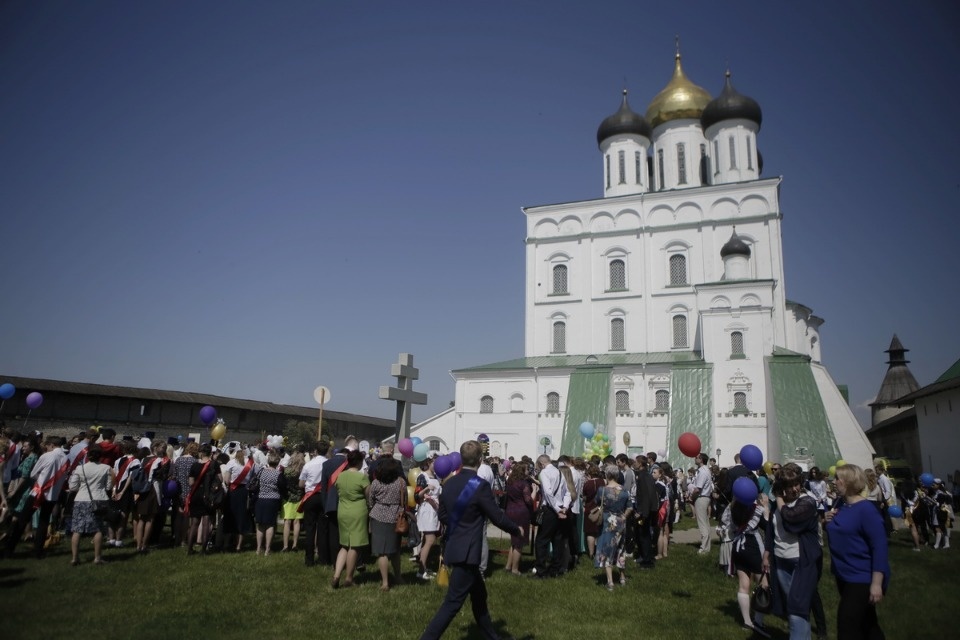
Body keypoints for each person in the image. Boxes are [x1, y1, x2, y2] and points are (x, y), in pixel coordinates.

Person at [420, 440, 521, 640]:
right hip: (468, 552)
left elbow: (443, 515)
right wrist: (515, 528)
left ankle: (490, 635)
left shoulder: (448, 483)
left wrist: (459, 526)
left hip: (456, 546)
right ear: (481, 459)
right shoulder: (480, 485)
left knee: (479, 598)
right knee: (452, 604)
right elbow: (496, 515)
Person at [825, 464, 889, 640]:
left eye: (838, 478)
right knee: (868, 624)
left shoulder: (866, 510)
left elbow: (880, 547)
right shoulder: (842, 505)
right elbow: (840, 530)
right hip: (843, 574)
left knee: (847, 625)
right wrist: (827, 521)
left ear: (849, 482)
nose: (834, 481)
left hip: (861, 577)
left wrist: (877, 582)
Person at [764, 462, 824, 640]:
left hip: (802, 560)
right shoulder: (777, 507)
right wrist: (767, 554)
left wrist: (779, 499)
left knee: (797, 607)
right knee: (795, 608)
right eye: (789, 486)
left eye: (797, 484)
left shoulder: (806, 502)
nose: (795, 489)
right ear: (782, 487)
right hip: (782, 560)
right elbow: (771, 529)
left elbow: (791, 522)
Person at [720, 491, 771, 637]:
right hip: (752, 547)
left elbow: (727, 524)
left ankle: (747, 621)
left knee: (743, 584)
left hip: (737, 548)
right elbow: (767, 527)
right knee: (764, 583)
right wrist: (766, 509)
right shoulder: (755, 510)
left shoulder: (732, 508)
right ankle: (759, 621)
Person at [67, 445, 113, 565]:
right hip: (98, 499)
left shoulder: (80, 468)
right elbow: (109, 486)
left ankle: (74, 558)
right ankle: (97, 558)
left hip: (81, 498)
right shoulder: (106, 468)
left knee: (77, 529)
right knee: (98, 529)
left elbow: (72, 486)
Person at [331, 448, 369, 588]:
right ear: (359, 462)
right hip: (357, 512)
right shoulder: (361, 477)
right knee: (355, 545)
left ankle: (336, 575)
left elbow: (336, 488)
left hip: (343, 511)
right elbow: (368, 495)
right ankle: (349, 578)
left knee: (344, 545)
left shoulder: (340, 476)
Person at [368, 456, 406, 590]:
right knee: (395, 550)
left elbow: (371, 500)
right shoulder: (401, 482)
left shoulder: (376, 483)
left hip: (378, 516)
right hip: (396, 517)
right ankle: (398, 577)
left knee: (382, 552)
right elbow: (404, 500)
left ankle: (385, 582)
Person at [594, 464, 632, 591]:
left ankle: (610, 582)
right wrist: (624, 517)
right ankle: (622, 577)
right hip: (621, 521)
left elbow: (596, 502)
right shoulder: (625, 490)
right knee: (621, 549)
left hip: (607, 522)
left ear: (607, 475)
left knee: (606, 550)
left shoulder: (602, 490)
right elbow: (630, 507)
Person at [533, 454, 570, 578]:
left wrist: (556, 509)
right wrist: (564, 507)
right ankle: (555, 569)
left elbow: (548, 493)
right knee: (557, 540)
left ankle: (541, 570)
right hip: (559, 509)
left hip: (550, 510)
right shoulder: (559, 473)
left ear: (541, 464)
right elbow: (567, 492)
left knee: (542, 540)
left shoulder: (544, 473)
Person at [299, 439, 330, 566]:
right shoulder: (329, 464)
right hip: (323, 497)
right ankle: (323, 558)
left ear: (315, 451)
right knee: (322, 529)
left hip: (310, 497)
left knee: (310, 529)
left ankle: (309, 559)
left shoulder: (308, 465)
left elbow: (301, 484)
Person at [502, 461, 533, 575]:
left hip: (510, 511)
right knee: (519, 542)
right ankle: (515, 569)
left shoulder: (510, 481)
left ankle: (508, 566)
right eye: (526, 469)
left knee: (514, 541)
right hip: (521, 512)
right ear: (522, 471)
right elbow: (528, 500)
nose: (528, 471)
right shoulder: (523, 484)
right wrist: (534, 492)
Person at [253, 452, 285, 556]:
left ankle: (258, 548)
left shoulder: (261, 472)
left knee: (260, 525)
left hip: (261, 499)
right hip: (273, 500)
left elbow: (256, 485)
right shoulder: (278, 474)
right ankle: (267, 549)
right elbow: (282, 487)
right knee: (270, 524)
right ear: (277, 462)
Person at [415, 458, 442, 579]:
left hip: (434, 510)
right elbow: (417, 495)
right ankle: (421, 571)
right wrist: (426, 488)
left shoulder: (437, 477)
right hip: (427, 511)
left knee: (428, 541)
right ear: (428, 463)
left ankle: (424, 567)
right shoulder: (422, 476)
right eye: (434, 463)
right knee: (430, 540)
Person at [688, 453, 714, 554]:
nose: (695, 458)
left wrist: (691, 495)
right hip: (705, 497)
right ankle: (707, 547)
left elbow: (698, 488)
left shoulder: (703, 472)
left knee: (702, 523)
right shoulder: (704, 470)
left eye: (697, 458)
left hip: (701, 498)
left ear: (701, 460)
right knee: (706, 523)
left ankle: (703, 548)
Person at [281, 447, 305, 552]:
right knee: (297, 522)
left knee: (287, 522)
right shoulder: (302, 471)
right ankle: (295, 544)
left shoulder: (286, 471)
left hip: (288, 498)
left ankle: (285, 546)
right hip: (299, 498)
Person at [581, 463, 604, 559]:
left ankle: (591, 554)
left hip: (589, 509)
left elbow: (584, 496)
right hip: (600, 508)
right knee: (599, 531)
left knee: (590, 532)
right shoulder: (602, 482)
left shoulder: (587, 484)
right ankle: (599, 552)